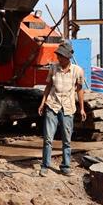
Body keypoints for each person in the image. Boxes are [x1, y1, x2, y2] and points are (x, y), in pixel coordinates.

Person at [37, 41, 86, 176]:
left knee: (66, 140)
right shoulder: (53, 68)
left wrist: (82, 108)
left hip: (68, 108)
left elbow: (80, 90)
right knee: (48, 138)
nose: (59, 58)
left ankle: (65, 166)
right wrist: (42, 103)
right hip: (52, 105)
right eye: (58, 56)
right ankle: (45, 166)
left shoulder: (77, 71)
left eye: (61, 56)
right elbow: (48, 87)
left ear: (68, 57)